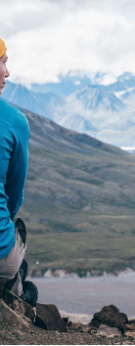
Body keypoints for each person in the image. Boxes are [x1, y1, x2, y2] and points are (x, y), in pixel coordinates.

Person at [0, 38, 38, 306]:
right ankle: (16, 294)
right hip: (1, 254)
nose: (7, 73)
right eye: (1, 62)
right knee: (15, 229)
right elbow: (14, 195)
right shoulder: (13, 121)